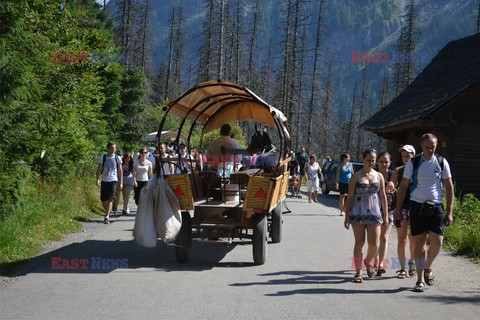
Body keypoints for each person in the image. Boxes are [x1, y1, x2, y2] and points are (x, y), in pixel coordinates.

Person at [394, 133, 454, 292]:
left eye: (432, 147)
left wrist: (449, 212)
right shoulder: (413, 162)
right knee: (419, 243)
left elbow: (448, 187)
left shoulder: (441, 162)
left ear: (436, 145)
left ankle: (427, 267)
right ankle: (419, 280)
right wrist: (398, 209)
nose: (430, 150)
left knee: (437, 242)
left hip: (436, 206)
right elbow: (404, 186)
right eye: (427, 147)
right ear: (421, 146)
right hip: (417, 205)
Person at [344, 148, 388, 283]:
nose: (371, 163)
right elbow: (350, 197)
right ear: (363, 159)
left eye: (373, 160)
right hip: (358, 212)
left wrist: (385, 215)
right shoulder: (356, 176)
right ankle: (358, 272)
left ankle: (368, 261)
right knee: (359, 242)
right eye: (368, 160)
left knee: (375, 243)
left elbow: (383, 196)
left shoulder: (379, 176)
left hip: (374, 213)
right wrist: (347, 215)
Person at [390, 144, 417, 279]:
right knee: (402, 239)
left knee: (414, 238)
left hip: (416, 207)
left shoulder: (418, 169)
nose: (406, 158)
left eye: (408, 155)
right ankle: (402, 268)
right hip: (401, 207)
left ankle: (412, 263)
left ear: (413, 155)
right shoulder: (398, 170)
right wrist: (392, 187)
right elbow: (391, 186)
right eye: (403, 156)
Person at [375, 151, 395, 275]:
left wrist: (393, 190)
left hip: (389, 209)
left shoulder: (393, 175)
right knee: (375, 237)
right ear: (377, 162)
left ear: (390, 162)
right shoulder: (373, 175)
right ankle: (373, 260)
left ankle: (381, 264)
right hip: (374, 209)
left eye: (386, 162)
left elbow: (399, 189)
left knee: (384, 236)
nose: (384, 164)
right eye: (381, 161)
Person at [96, 141, 123, 224]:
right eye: (112, 148)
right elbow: (99, 168)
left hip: (113, 180)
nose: (113, 149)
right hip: (104, 180)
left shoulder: (117, 158)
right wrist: (97, 179)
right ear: (108, 148)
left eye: (114, 148)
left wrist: (121, 182)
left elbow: (120, 170)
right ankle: (108, 210)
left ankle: (107, 216)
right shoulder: (103, 157)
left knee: (110, 198)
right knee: (103, 199)